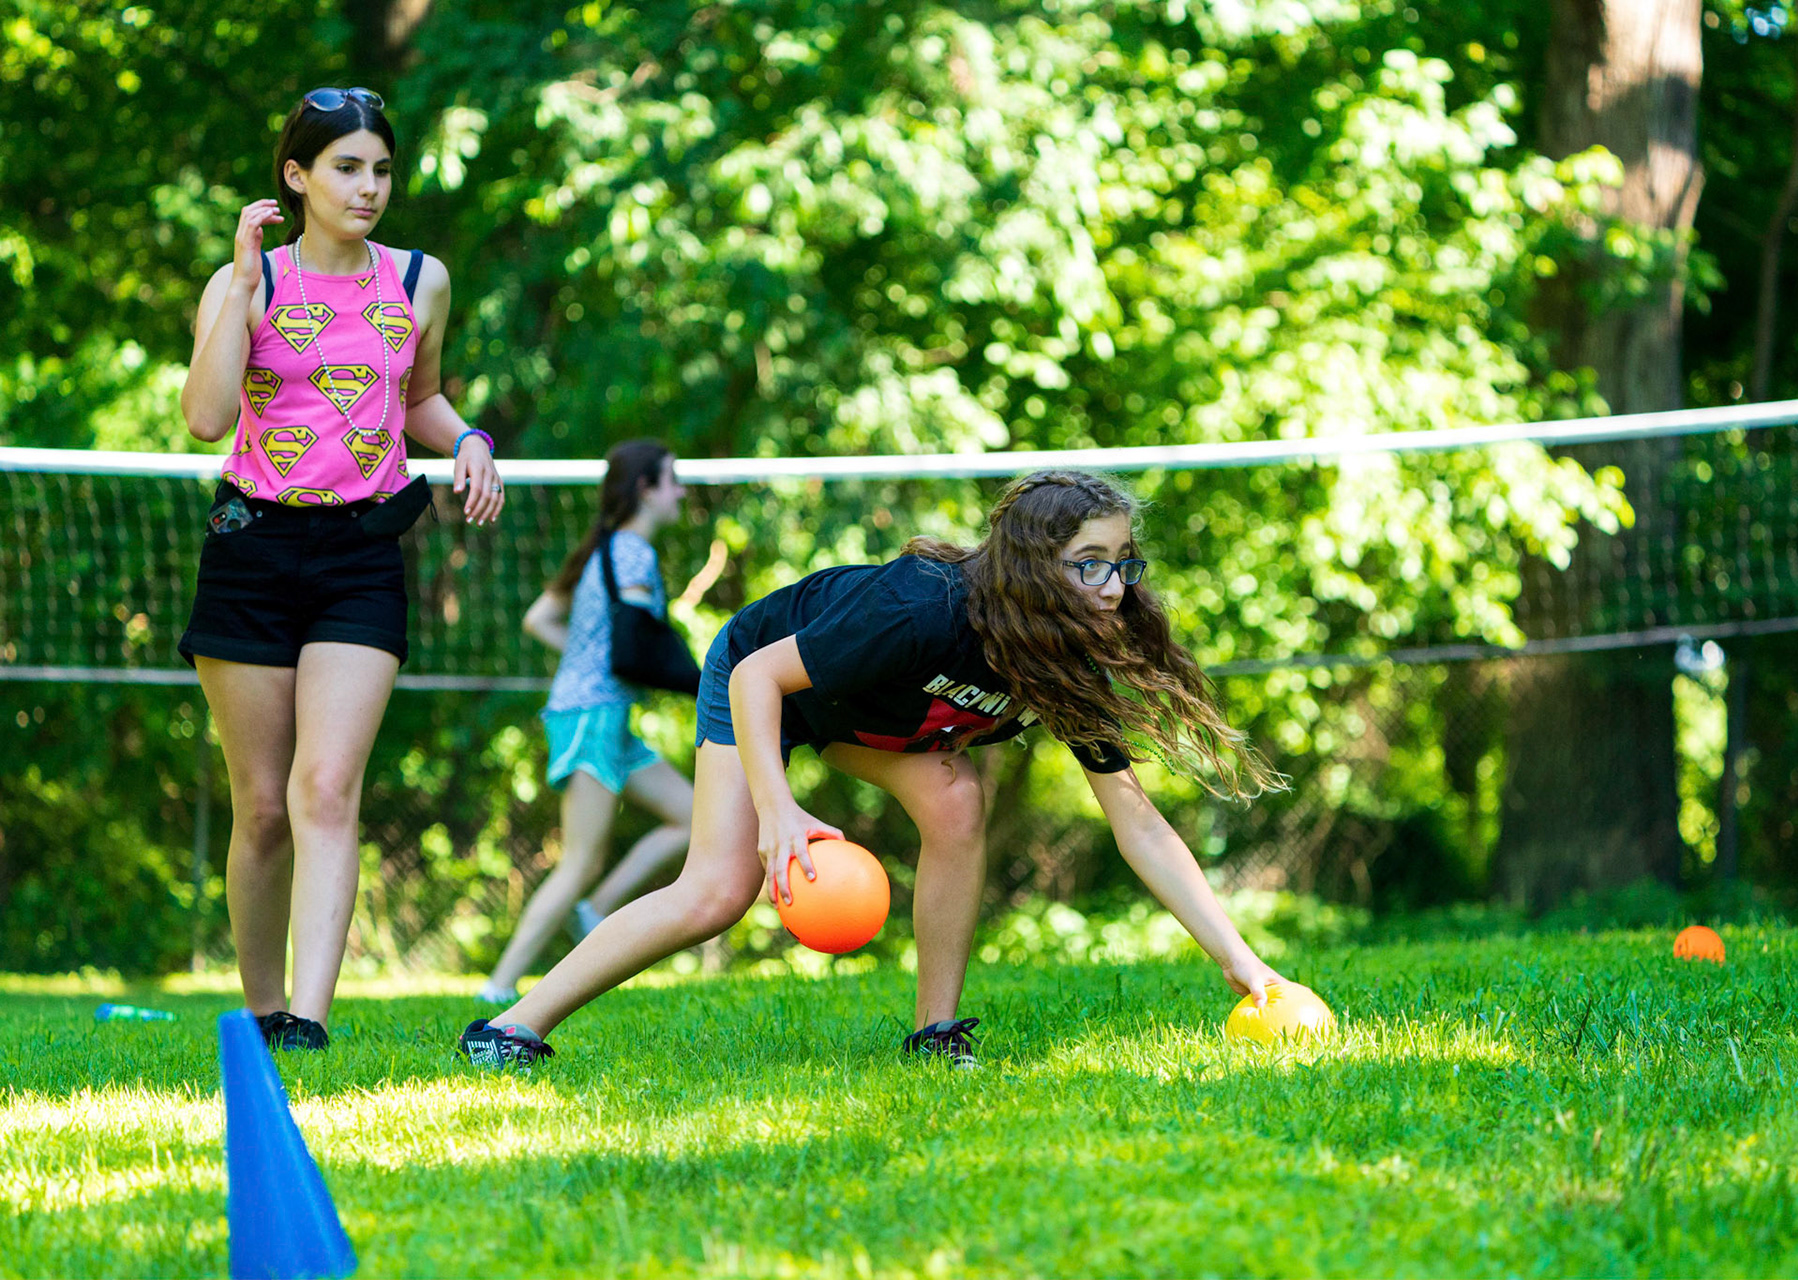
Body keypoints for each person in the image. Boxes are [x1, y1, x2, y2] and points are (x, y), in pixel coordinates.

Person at [458, 471, 1290, 1069]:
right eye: (1090, 563)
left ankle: (936, 1035)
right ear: (1036, 567)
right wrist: (777, 811)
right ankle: (509, 1028)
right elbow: (759, 680)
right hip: (763, 675)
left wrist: (1241, 963)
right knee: (716, 893)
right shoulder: (924, 609)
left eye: (1122, 562)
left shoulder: (1066, 663)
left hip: (861, 713)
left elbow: (1136, 820)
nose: (1114, 586)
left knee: (959, 800)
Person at [177, 86, 504, 1050]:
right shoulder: (251, 281)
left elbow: (422, 397)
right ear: (297, 176)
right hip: (252, 545)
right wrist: (238, 286)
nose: (369, 189)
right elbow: (203, 417)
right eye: (347, 168)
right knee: (265, 806)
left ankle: (307, 1026)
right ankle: (261, 1006)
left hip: (363, 551)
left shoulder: (421, 279)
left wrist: (470, 439)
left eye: (382, 170)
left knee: (327, 788)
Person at [477, 440, 697, 1005]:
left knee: (693, 817)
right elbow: (642, 643)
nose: (681, 491)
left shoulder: (605, 548)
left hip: (603, 715)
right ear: (646, 490)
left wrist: (584, 659)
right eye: (673, 480)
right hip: (590, 717)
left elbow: (539, 619)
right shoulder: (631, 552)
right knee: (578, 862)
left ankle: (597, 911)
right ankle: (499, 987)